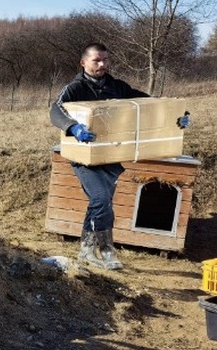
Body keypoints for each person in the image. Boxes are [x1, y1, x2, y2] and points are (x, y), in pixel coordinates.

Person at [49, 43, 189, 270]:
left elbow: (150, 105)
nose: (102, 64)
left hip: (112, 158)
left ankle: (86, 250)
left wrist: (178, 116)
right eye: (96, 60)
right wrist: (72, 127)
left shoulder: (118, 87)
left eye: (105, 60)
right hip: (84, 158)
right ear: (83, 62)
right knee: (101, 199)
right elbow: (55, 109)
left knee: (99, 203)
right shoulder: (75, 88)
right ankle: (106, 251)